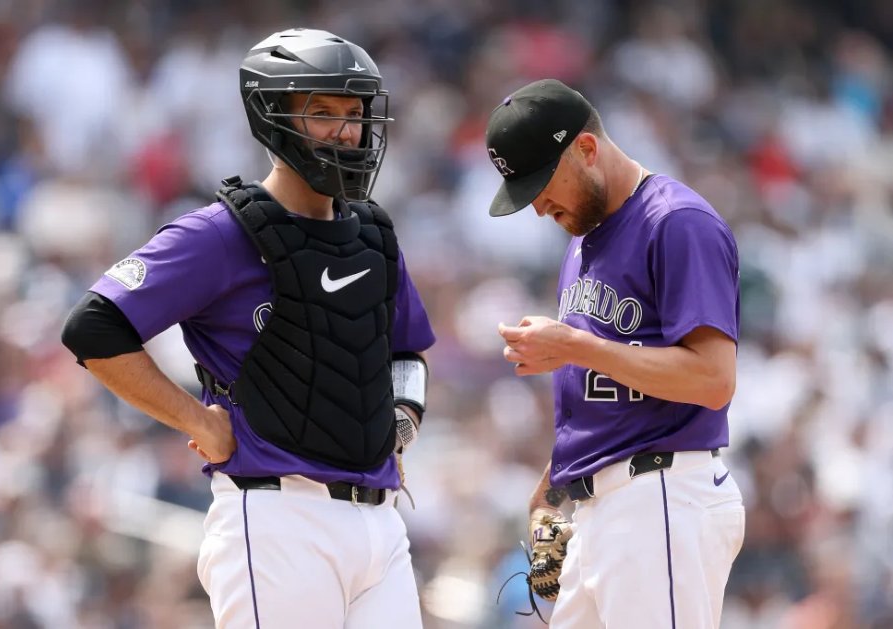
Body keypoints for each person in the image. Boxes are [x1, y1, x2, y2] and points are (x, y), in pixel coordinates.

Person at [61, 28, 435, 628]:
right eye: (323, 113)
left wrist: (400, 419)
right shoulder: (219, 234)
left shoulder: (373, 236)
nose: (347, 130)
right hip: (277, 519)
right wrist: (195, 420)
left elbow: (407, 350)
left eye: (355, 113)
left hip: (381, 522)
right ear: (273, 117)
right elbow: (93, 326)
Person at [487, 79, 745, 629]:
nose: (537, 208)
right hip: (600, 508)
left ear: (585, 148)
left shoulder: (676, 222)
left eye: (541, 184)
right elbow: (609, 390)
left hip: (663, 499)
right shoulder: (582, 239)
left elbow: (713, 379)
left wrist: (574, 345)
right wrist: (552, 489)